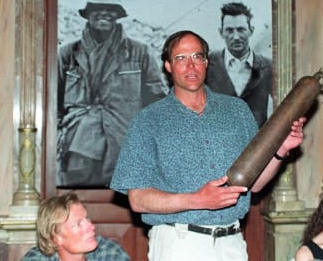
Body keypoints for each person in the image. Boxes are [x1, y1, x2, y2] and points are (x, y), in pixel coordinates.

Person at [110, 30, 305, 261]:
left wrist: (281, 150)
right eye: (181, 58)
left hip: (231, 242)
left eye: (197, 56)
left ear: (206, 62)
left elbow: (254, 184)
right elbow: (138, 199)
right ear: (168, 66)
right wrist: (197, 200)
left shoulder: (237, 111)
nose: (190, 66)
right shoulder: (148, 120)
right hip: (179, 244)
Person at [57, 0, 168, 187]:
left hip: (123, 145)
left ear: (118, 14)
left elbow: (157, 103)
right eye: (97, 8)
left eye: (110, 8)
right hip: (78, 147)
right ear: (88, 13)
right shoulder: (67, 54)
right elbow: (52, 101)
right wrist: (61, 132)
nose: (104, 13)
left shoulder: (139, 52)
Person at [206, 2, 272, 128]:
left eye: (241, 30)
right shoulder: (207, 65)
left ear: (251, 31)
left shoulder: (268, 66)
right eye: (229, 30)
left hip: (257, 144)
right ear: (221, 33)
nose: (236, 37)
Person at [21, 192, 130, 261]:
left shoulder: (109, 252)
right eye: (78, 224)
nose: (91, 226)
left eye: (86, 218)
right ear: (56, 238)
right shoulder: (35, 259)